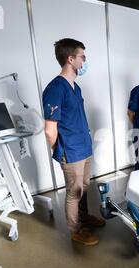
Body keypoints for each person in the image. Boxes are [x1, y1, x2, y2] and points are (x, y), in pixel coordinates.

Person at [43, 38, 105, 246]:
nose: (85, 61)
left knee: (85, 187)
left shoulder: (75, 88)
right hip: (70, 151)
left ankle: (84, 217)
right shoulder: (55, 89)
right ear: (71, 59)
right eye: (82, 57)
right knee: (74, 191)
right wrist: (61, 153)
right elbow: (50, 130)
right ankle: (75, 230)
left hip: (84, 147)